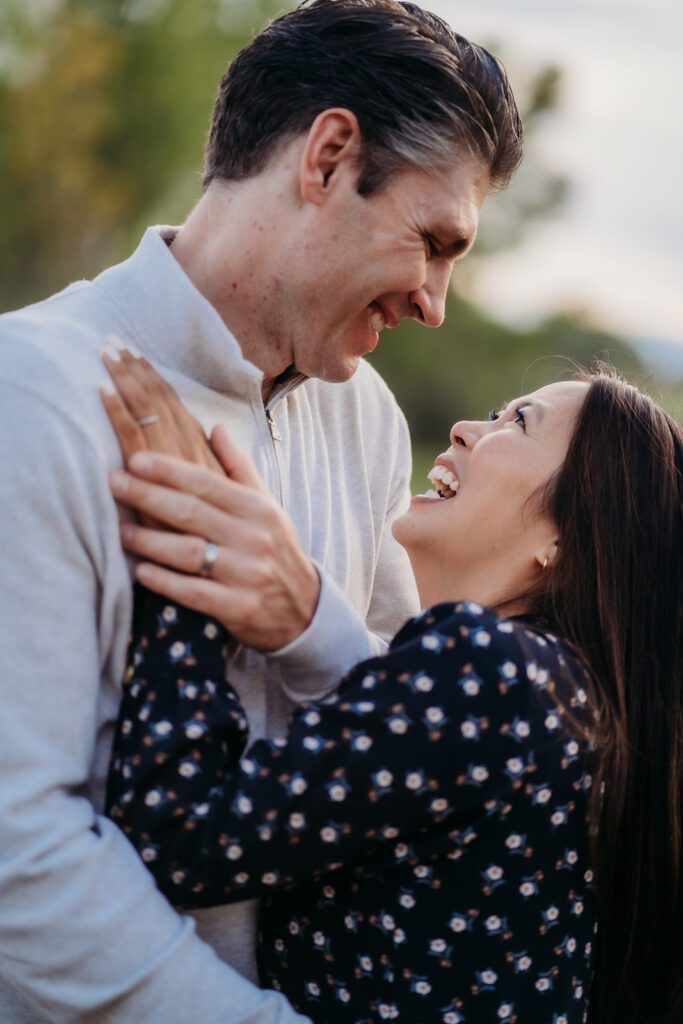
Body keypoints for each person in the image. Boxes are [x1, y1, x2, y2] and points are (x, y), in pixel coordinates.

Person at [0, 1, 523, 1020]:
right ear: (327, 157)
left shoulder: (366, 417)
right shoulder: (34, 394)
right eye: (432, 241)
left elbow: (392, 756)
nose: (434, 304)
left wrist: (308, 617)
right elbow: (20, 847)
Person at [102, 356, 683, 1024]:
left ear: (565, 536)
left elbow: (183, 838)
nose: (465, 428)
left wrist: (187, 552)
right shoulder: (579, 706)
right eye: (495, 411)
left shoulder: (488, 672)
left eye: (520, 422)